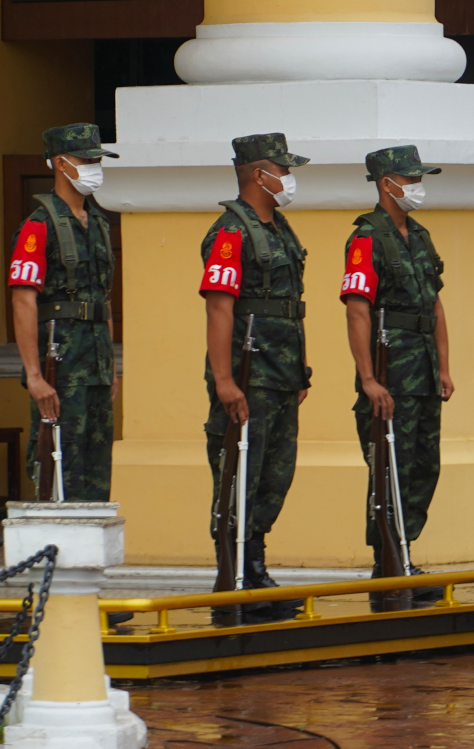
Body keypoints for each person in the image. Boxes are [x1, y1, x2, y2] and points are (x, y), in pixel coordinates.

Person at [199, 133, 312, 615]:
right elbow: (220, 310)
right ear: (257, 174)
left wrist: (300, 372)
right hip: (248, 375)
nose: (289, 179)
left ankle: (256, 563)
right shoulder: (231, 231)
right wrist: (224, 381)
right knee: (238, 476)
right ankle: (233, 572)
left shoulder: (281, 229)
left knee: (273, 476)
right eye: (282, 170)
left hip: (281, 374)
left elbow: (291, 309)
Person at [340, 145, 455, 600]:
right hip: (390, 372)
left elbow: (436, 304)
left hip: (423, 370)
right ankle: (386, 562)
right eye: (410, 180)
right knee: (389, 467)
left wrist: (444, 365)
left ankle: (405, 553)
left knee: (424, 465)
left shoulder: (420, 236)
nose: (417, 187)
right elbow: (357, 311)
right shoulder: (367, 238)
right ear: (387, 184)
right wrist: (368, 378)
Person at [8, 123, 120, 503]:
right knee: (59, 462)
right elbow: (23, 300)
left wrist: (112, 368)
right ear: (60, 163)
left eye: (96, 160)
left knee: (96, 469)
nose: (94, 167)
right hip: (62, 367)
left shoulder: (99, 224)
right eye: (86, 160)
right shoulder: (38, 227)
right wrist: (34, 376)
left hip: (97, 367)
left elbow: (102, 299)